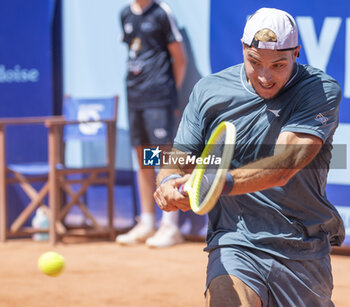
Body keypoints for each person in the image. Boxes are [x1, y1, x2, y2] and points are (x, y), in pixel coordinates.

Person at [154, 7, 345, 306]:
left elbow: (286, 164)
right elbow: (179, 156)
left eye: (278, 64)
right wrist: (167, 181)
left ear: (296, 53)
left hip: (302, 248)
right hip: (234, 241)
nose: (266, 76)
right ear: (243, 49)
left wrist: (219, 182)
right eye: (254, 62)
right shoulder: (209, 91)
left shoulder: (319, 90)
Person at [115, 0, 187, 248]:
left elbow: (180, 59)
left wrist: (170, 96)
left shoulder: (161, 12)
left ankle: (170, 226)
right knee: (144, 157)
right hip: (134, 96)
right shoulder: (124, 14)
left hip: (159, 96)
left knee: (164, 157)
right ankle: (146, 222)